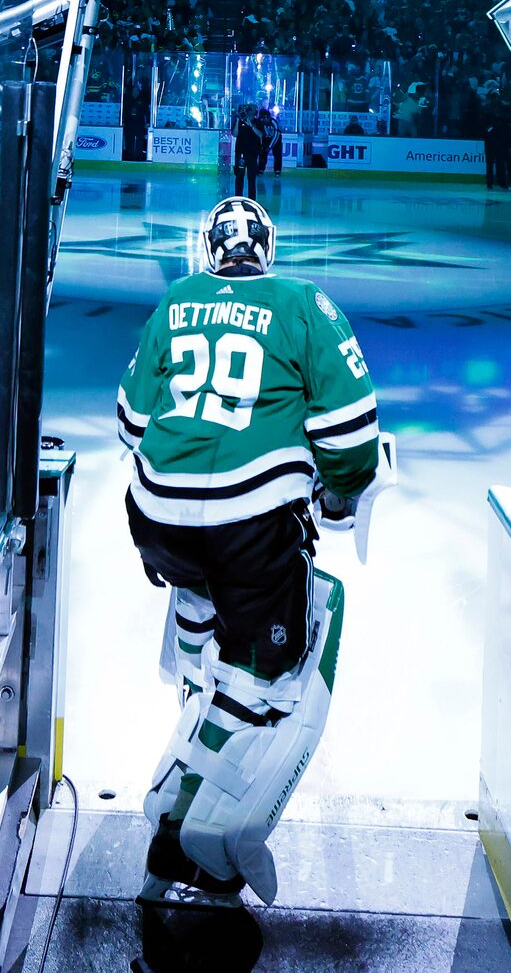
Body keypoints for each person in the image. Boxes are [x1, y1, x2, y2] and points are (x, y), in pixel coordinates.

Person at [117, 195, 381, 918]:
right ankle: (186, 831)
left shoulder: (176, 299)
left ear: (209, 249)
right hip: (247, 526)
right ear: (269, 247)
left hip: (156, 523)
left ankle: (198, 673)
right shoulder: (303, 302)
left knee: (208, 626)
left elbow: (131, 421)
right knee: (265, 681)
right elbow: (352, 433)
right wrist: (338, 497)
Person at [232, 103, 268, 198]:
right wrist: (237, 120)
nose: (253, 112)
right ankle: (238, 198)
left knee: (251, 178)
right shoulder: (240, 122)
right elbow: (234, 134)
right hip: (241, 154)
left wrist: (251, 125)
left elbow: (261, 135)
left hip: (252, 154)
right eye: (250, 110)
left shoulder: (258, 122)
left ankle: (252, 200)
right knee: (239, 177)